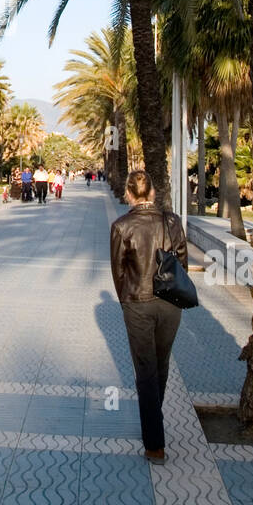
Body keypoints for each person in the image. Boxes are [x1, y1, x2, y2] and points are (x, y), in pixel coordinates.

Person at [110, 168, 188, 464]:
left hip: (138, 303)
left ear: (129, 194)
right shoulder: (172, 222)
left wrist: (127, 300)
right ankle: (154, 417)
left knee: (145, 368)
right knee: (161, 363)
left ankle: (155, 443)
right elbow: (181, 261)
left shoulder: (121, 226)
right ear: (152, 192)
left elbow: (118, 271)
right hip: (170, 302)